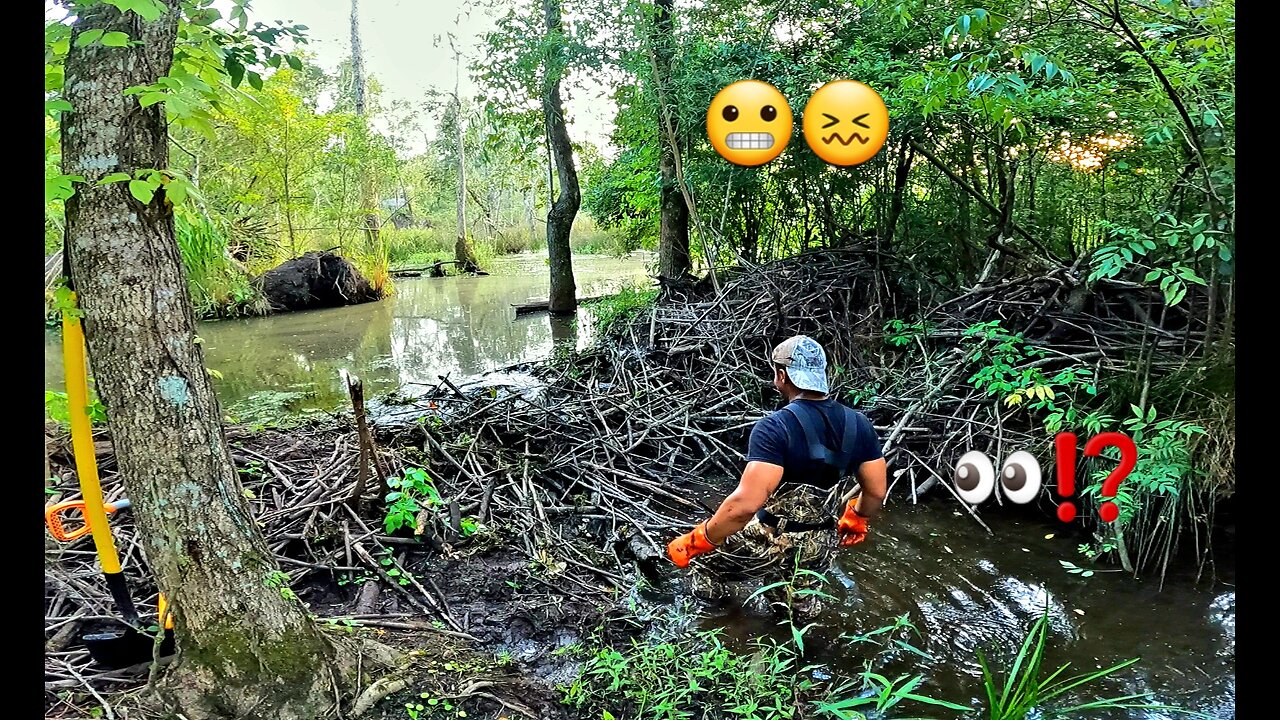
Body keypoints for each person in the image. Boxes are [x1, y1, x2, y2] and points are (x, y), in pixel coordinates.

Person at [665, 335, 887, 617]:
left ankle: (721, 624)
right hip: (819, 543)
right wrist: (856, 517)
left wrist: (698, 539)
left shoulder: (774, 427)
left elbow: (743, 506)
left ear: (782, 375)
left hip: (769, 538)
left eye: (775, 373)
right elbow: (876, 491)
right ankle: (803, 647)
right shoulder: (859, 423)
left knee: (706, 564)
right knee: (798, 605)